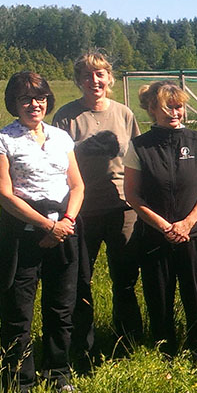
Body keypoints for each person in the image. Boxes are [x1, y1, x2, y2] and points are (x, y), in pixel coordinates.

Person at [0, 72, 84, 393]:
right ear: (13, 103)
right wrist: (46, 226)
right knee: (17, 314)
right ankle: (20, 383)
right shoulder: (2, 141)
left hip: (64, 233)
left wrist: (65, 222)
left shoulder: (61, 137)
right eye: (25, 98)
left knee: (61, 309)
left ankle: (59, 373)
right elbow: (5, 194)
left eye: (39, 97)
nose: (33, 104)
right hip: (23, 237)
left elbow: (77, 185)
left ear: (47, 100)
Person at [52, 51, 141, 370]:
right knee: (80, 281)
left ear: (109, 78)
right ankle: (82, 347)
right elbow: (56, 165)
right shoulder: (65, 117)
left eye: (100, 74)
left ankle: (128, 341)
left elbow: (137, 161)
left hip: (122, 208)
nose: (95, 81)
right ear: (79, 81)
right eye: (88, 76)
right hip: (81, 213)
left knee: (126, 278)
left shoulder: (124, 114)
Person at [123, 81, 197, 367]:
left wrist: (188, 223)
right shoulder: (139, 147)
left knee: (196, 296)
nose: (175, 112)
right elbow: (132, 194)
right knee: (159, 299)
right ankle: (166, 354)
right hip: (154, 236)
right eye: (168, 107)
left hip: (194, 234)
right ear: (152, 109)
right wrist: (163, 226)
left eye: (179, 106)